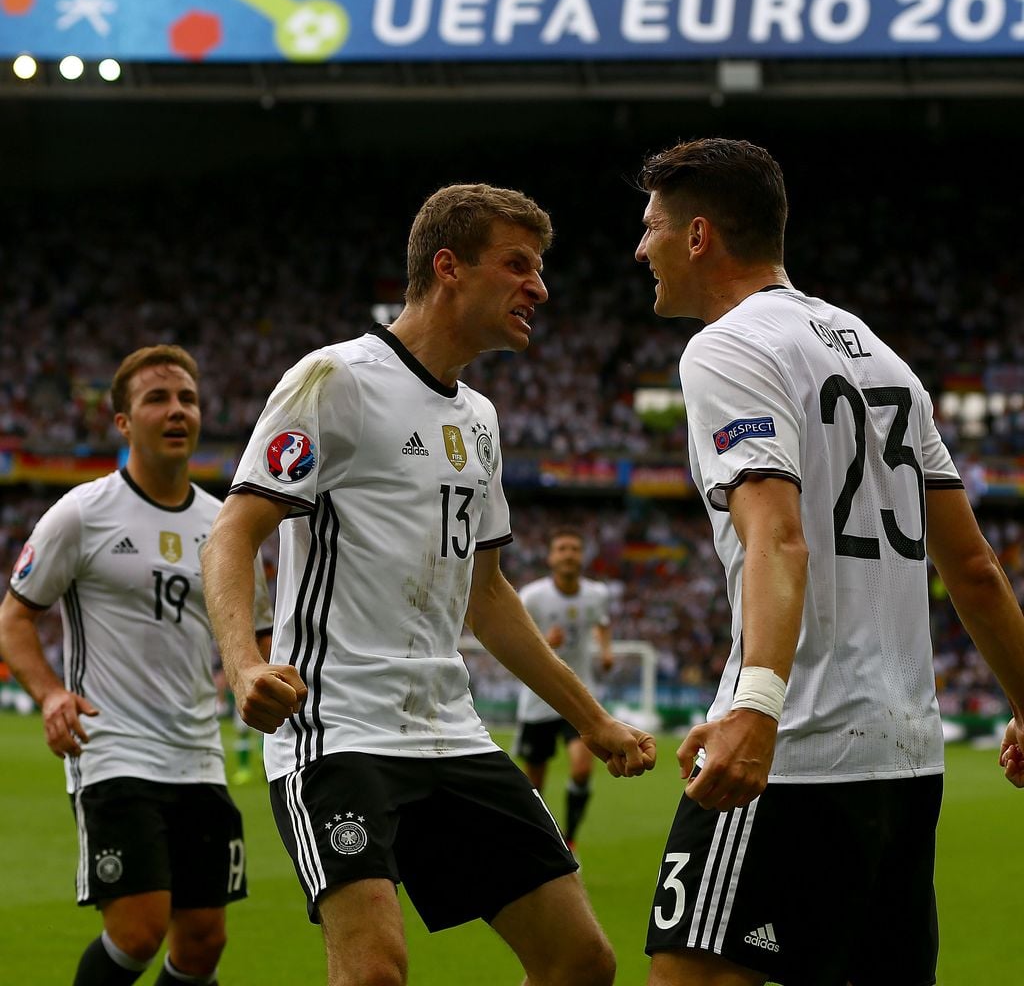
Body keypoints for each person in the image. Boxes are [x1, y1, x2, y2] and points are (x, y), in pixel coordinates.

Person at [200, 182, 657, 986]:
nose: (539, 289)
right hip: (337, 729)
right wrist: (244, 662)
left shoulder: (479, 418)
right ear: (448, 267)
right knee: (374, 972)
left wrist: (594, 722)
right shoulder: (333, 380)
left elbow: (489, 598)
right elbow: (235, 530)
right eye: (518, 266)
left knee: (581, 961)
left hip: (448, 728)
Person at [633, 138, 1024, 986]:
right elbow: (975, 566)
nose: (641, 248)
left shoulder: (727, 349)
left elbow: (778, 535)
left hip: (796, 749)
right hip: (907, 763)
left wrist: (757, 707)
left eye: (652, 226)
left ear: (698, 236)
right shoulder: (884, 358)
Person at [0, 345, 274, 986]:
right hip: (113, 748)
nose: (176, 410)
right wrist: (48, 695)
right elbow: (13, 619)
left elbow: (258, 637)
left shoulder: (226, 527)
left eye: (187, 398)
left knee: (204, 941)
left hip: (198, 753)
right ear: (123, 423)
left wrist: (264, 678)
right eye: (157, 398)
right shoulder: (81, 513)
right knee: (138, 930)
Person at [514, 525, 615, 849]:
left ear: (582, 556)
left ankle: (569, 838)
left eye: (574, 548)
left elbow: (602, 622)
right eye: (562, 549)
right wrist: (545, 642)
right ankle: (538, 841)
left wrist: (605, 650)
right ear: (550, 557)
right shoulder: (532, 597)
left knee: (583, 768)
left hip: (579, 694)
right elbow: (516, 643)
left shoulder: (596, 594)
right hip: (539, 696)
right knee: (534, 784)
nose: (569, 554)